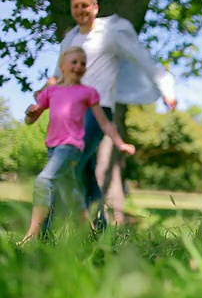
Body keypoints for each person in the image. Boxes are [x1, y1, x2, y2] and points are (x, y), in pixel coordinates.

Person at [35, 0, 177, 231]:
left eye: (85, 6)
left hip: (97, 110)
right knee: (86, 172)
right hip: (71, 112)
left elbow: (141, 57)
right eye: (76, 6)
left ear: (95, 8)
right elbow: (60, 75)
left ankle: (45, 232)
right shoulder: (70, 39)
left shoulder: (110, 32)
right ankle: (99, 232)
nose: (81, 11)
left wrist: (167, 88)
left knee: (68, 165)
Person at [19, 46, 135, 244]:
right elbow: (31, 119)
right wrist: (30, 114)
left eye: (83, 63)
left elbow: (105, 122)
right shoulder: (51, 92)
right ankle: (90, 235)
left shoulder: (88, 93)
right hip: (53, 147)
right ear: (62, 65)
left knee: (42, 181)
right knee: (70, 192)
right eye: (74, 62)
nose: (79, 66)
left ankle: (32, 235)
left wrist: (120, 143)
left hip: (71, 146)